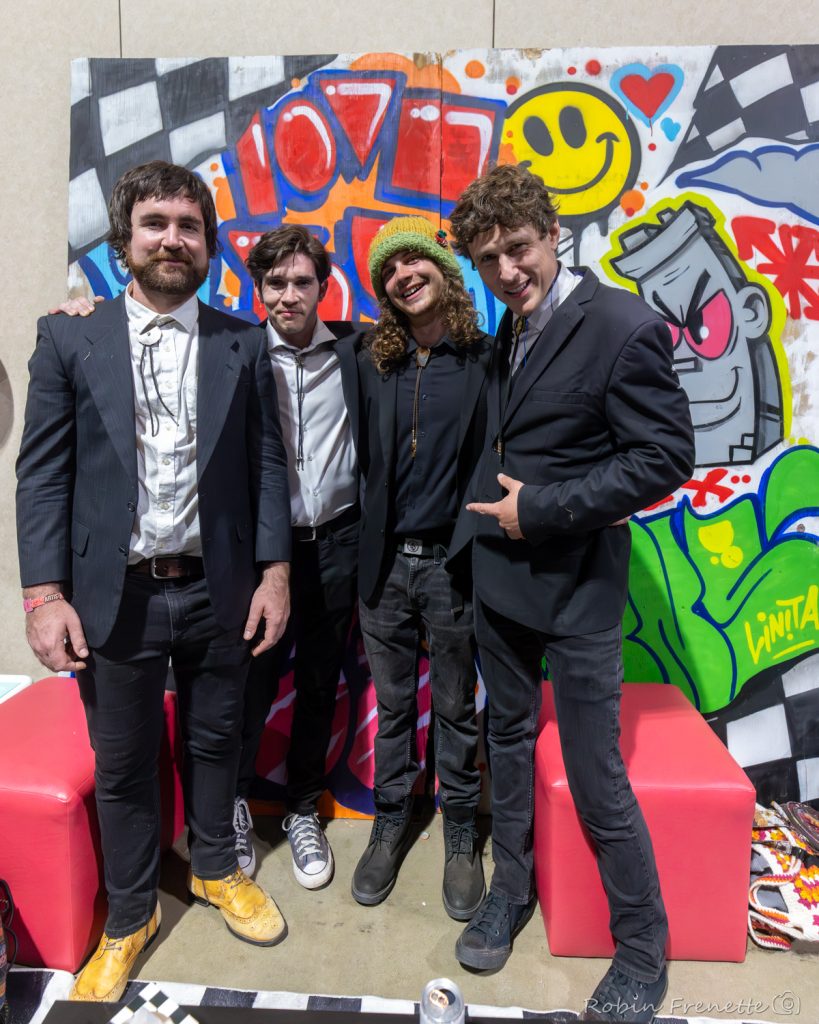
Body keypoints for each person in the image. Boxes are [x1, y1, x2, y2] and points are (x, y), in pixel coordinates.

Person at [16, 161, 291, 1003]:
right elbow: (42, 476)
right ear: (124, 240)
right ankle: (130, 914)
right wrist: (43, 594)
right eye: (156, 223)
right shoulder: (69, 336)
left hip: (220, 587)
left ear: (207, 244)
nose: (173, 238)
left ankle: (213, 868)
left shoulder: (242, 342)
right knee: (125, 762)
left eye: (189, 226)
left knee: (217, 742)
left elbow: (269, 466)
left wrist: (275, 572)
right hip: (116, 594)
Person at [447, 165, 694, 1022]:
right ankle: (510, 892)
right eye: (488, 259)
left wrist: (540, 510)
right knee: (505, 742)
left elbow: (662, 458)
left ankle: (642, 950)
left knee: (595, 776)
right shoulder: (507, 327)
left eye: (517, 249)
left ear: (551, 233)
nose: (506, 271)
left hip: (579, 588)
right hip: (500, 586)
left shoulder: (622, 325)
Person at [353, 216, 491, 921]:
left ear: (444, 270)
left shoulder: (486, 358)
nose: (404, 274)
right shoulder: (369, 358)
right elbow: (277, 344)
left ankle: (461, 832)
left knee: (457, 708)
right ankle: (390, 822)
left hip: (452, 566)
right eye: (390, 268)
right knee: (395, 708)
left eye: (416, 261)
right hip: (382, 570)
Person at [234, 226, 362, 889]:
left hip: (337, 543)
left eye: (302, 282)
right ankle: (230, 802)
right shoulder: (232, 352)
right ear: (259, 288)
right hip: (260, 553)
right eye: (276, 282)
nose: (289, 294)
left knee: (318, 683)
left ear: (322, 286)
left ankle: (301, 807)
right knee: (248, 682)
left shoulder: (358, 348)